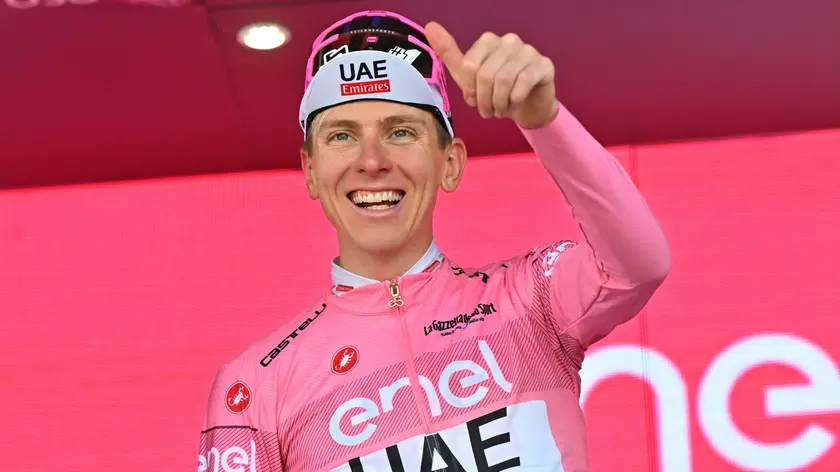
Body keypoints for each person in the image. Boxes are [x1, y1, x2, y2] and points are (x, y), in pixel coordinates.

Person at [197, 10, 670, 472]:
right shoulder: (255, 385)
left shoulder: (530, 302)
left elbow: (637, 264)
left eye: (401, 131)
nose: (371, 161)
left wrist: (542, 117)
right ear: (310, 170)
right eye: (341, 135)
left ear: (450, 162)